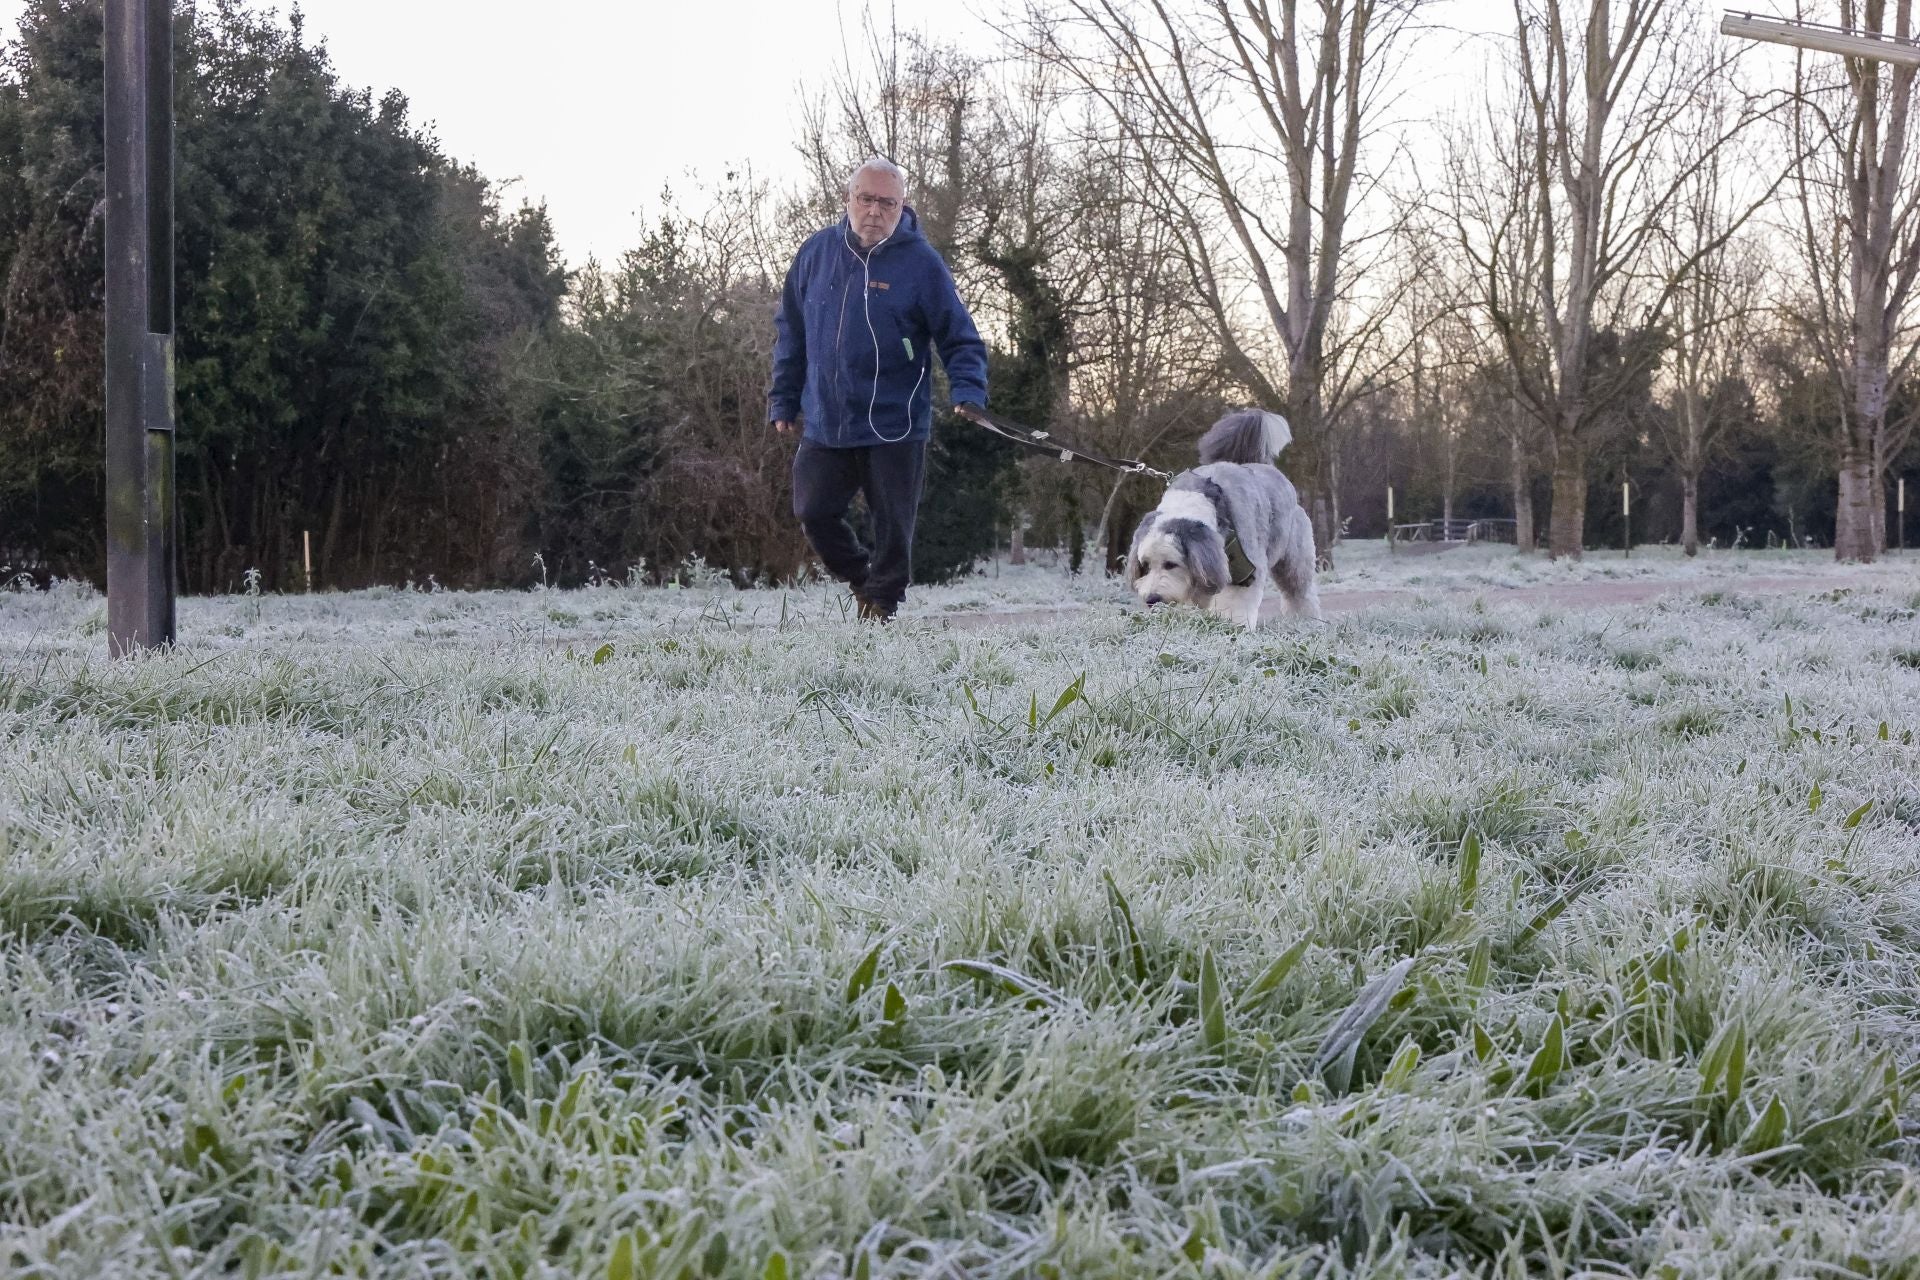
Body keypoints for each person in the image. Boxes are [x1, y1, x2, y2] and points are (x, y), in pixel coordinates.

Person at [769, 156, 989, 623]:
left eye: (886, 203)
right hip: (828, 417)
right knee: (813, 510)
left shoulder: (921, 263)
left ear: (901, 206)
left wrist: (968, 391)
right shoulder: (816, 254)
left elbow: (959, 335)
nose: (874, 211)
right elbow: (792, 332)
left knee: (894, 526)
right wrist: (783, 399)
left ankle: (882, 606)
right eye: (866, 199)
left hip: (896, 419)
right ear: (848, 199)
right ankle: (860, 577)